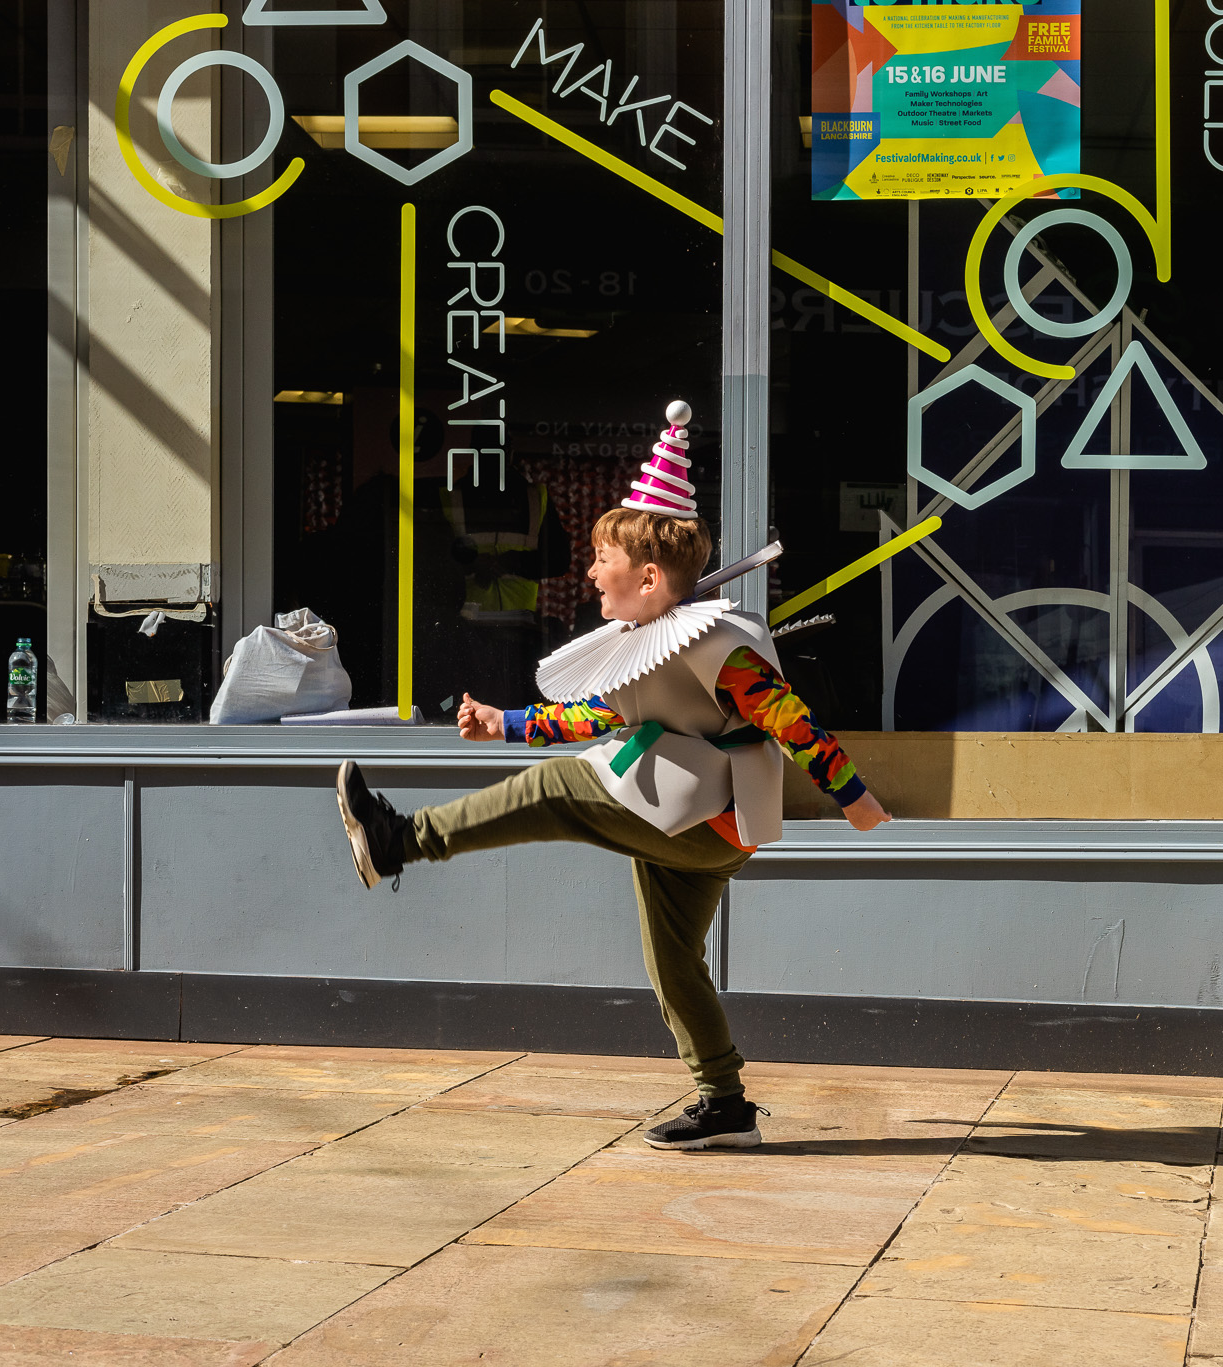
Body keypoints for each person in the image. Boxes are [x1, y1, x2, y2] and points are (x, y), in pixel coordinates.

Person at [332, 405, 889, 1150]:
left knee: (556, 790)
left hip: (704, 815)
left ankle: (398, 841)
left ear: (650, 576)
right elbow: (596, 713)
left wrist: (853, 796)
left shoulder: (720, 642)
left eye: (604, 559)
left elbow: (789, 716)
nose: (590, 570)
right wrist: (507, 723)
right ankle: (724, 1103)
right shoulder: (647, 639)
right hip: (691, 818)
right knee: (673, 963)